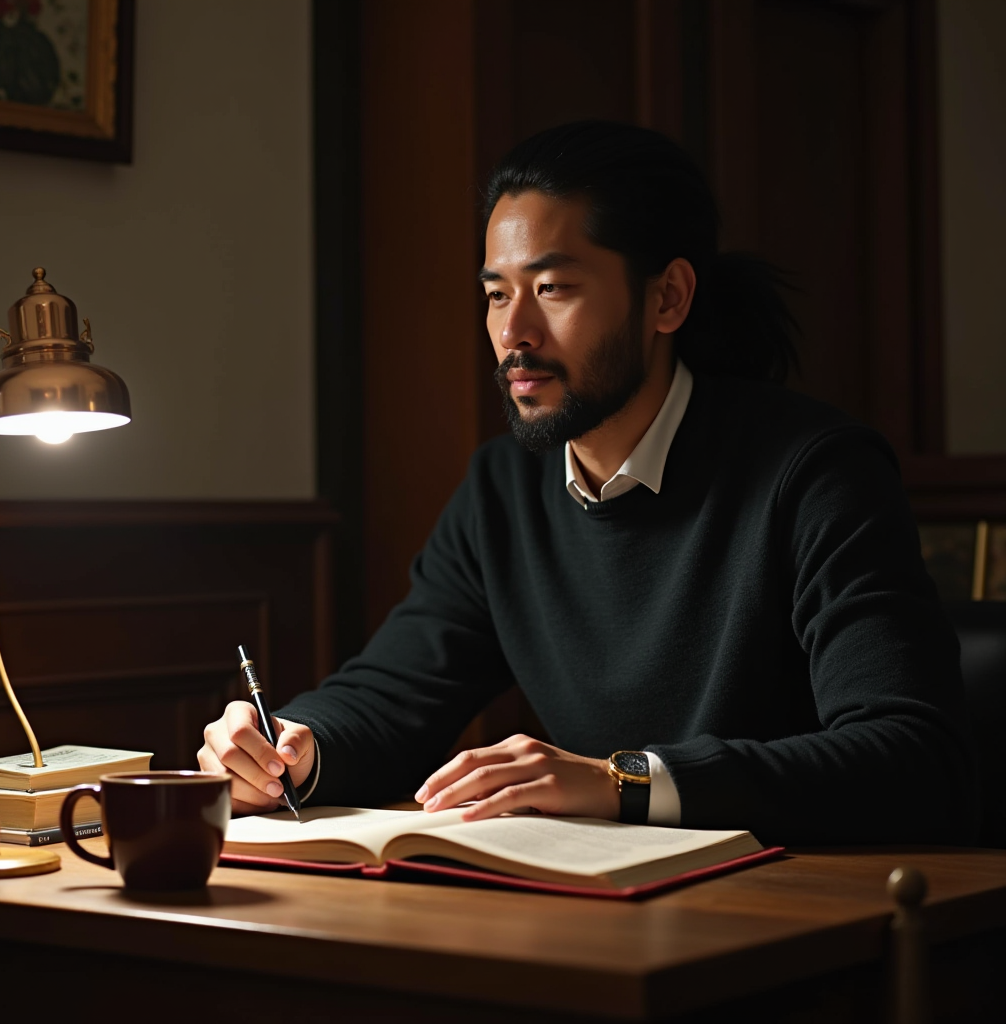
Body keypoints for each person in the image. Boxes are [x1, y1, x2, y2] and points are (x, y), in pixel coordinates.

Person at [199, 121, 975, 845]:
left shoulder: (815, 472)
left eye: (554, 289)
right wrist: (287, 748)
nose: (514, 334)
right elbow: (394, 696)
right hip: (606, 907)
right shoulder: (503, 488)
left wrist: (623, 781)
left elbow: (908, 755)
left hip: (807, 909)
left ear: (666, 297)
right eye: (497, 294)